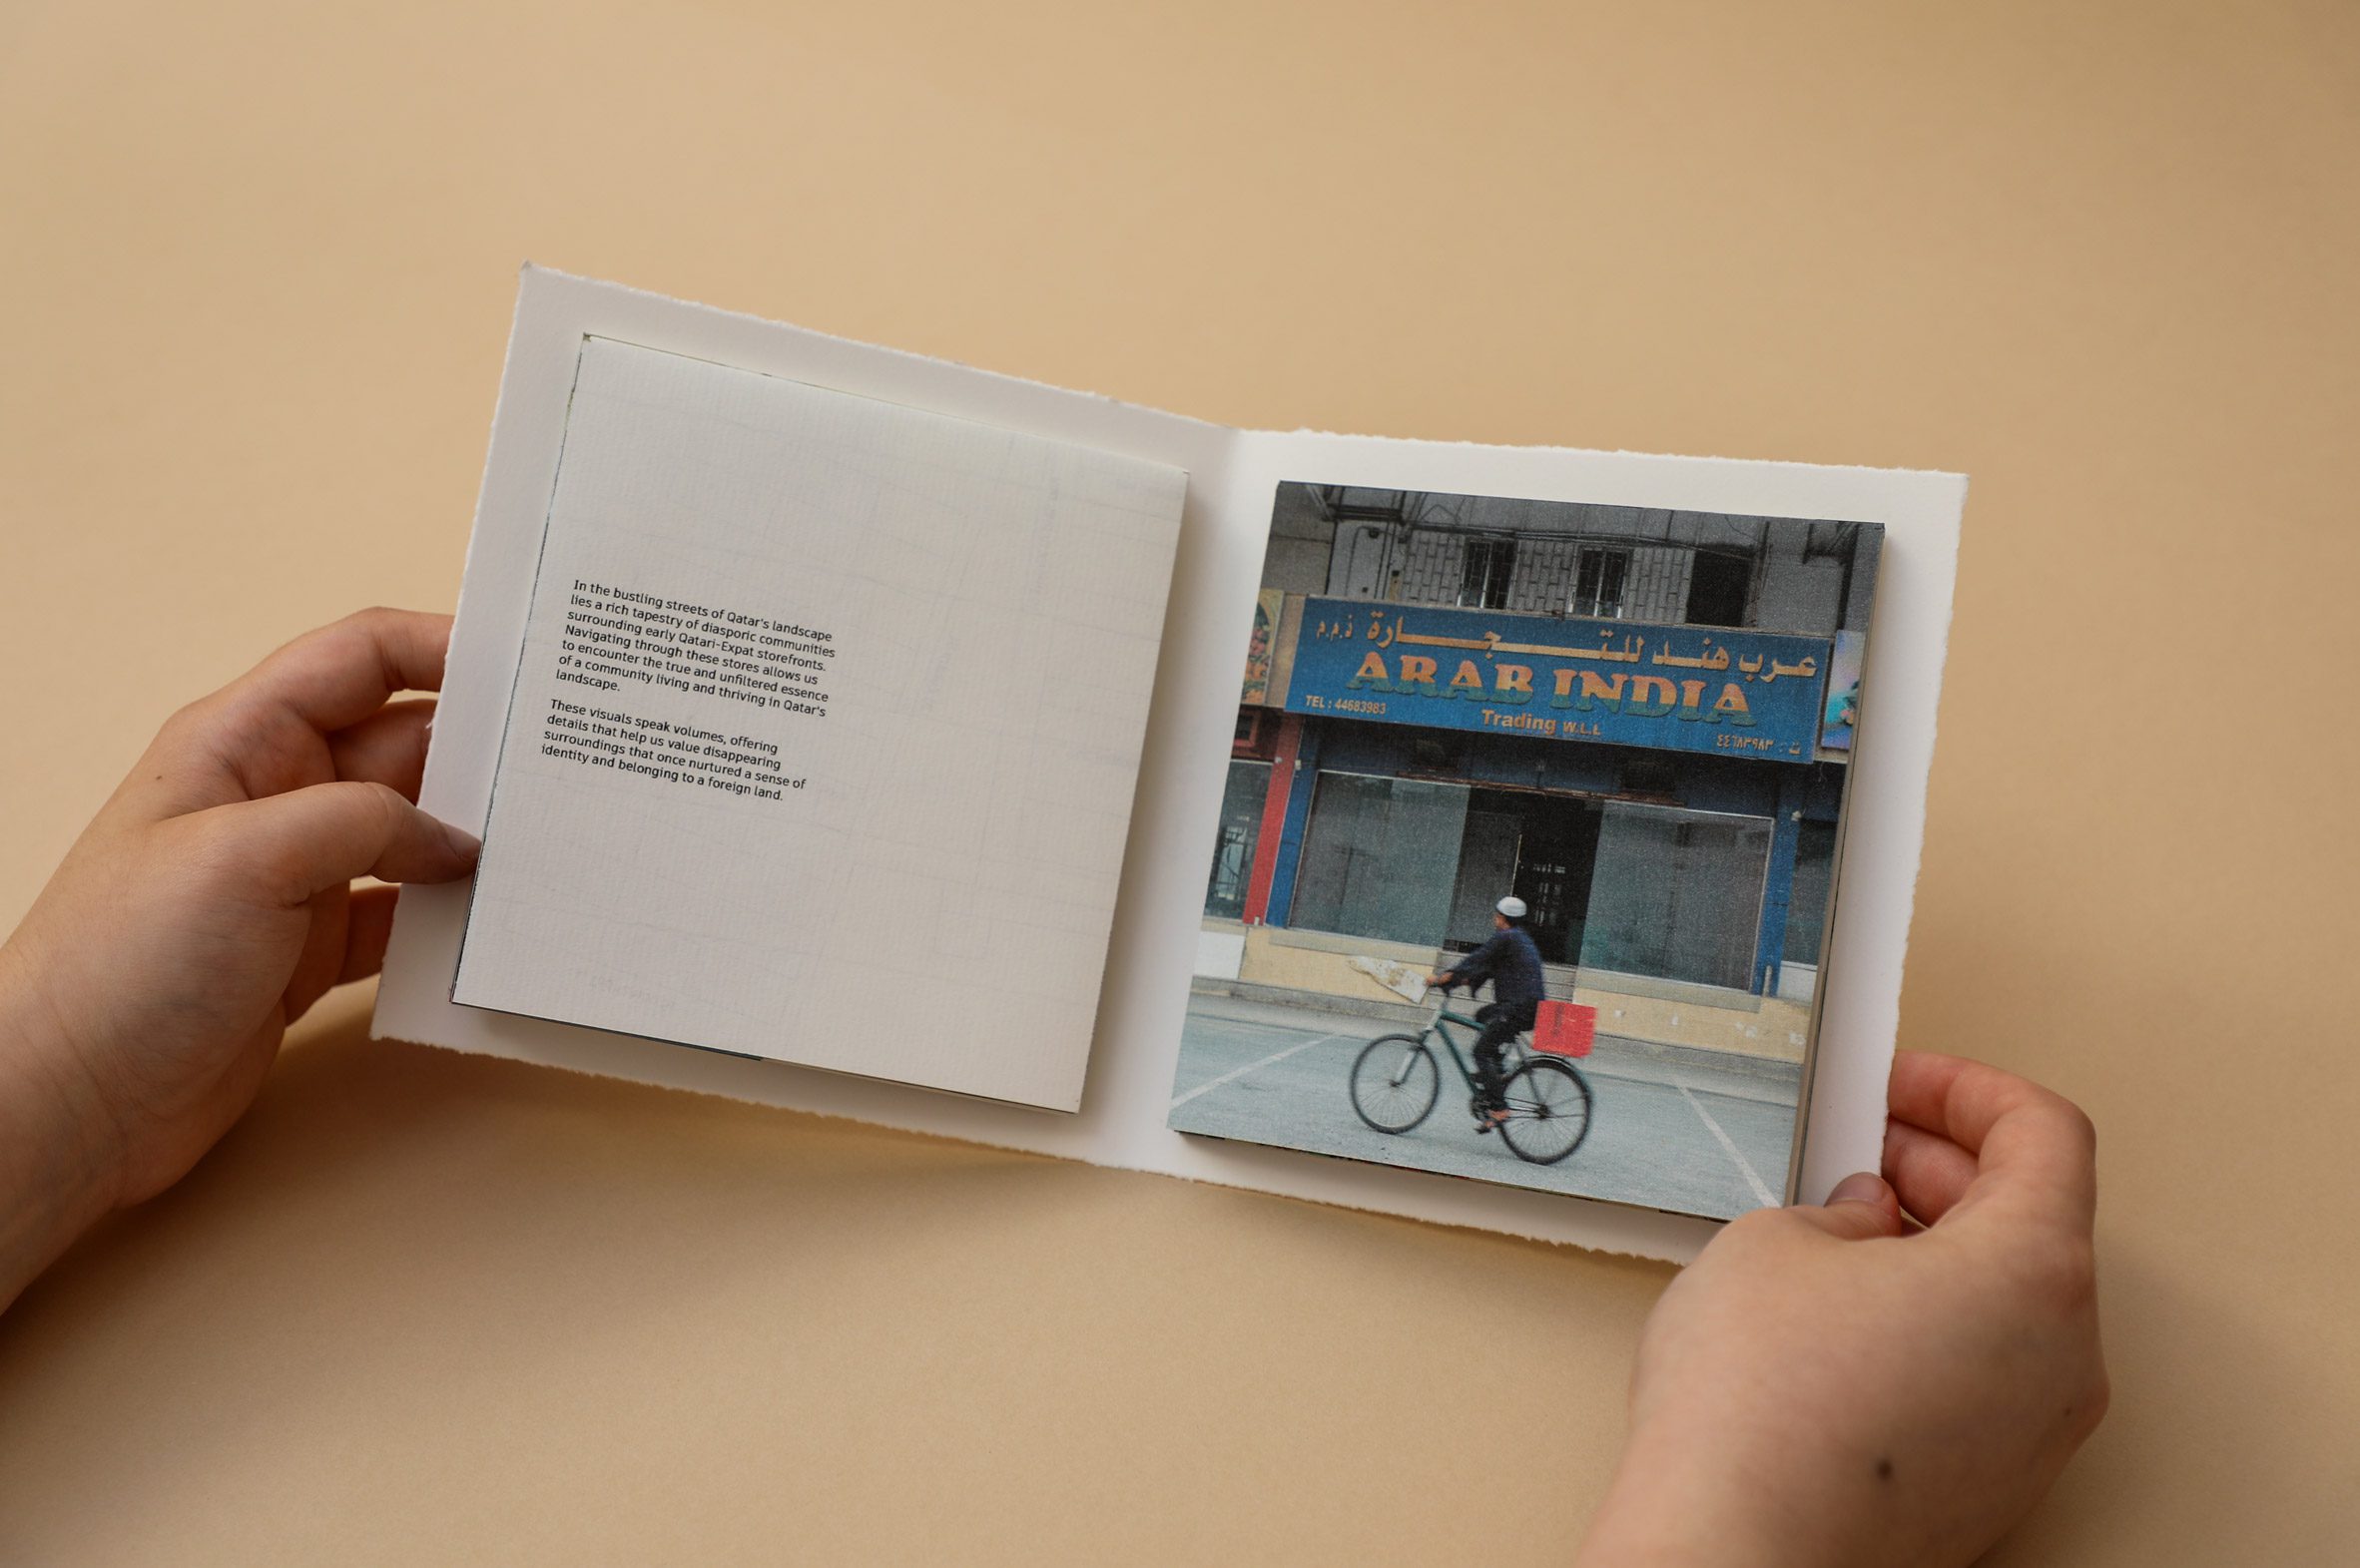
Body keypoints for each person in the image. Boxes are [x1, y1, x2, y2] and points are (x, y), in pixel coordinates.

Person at [0, 609, 2107, 1565]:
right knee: (1465, 1025)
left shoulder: (1535, 927)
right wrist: (1772, 1519)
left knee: (1477, 1043)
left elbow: (1498, 961)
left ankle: (1475, 1101)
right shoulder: (1510, 910)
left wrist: (69, 1077)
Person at [1427, 894, 1547, 1129]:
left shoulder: (1507, 937)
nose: (1495, 918)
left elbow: (1477, 958)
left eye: (1497, 915)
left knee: (1480, 1052)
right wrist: (1452, 982)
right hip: (1524, 1006)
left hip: (1519, 1007)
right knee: (1482, 1016)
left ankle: (1499, 1108)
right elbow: (1483, 969)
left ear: (1503, 918)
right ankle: (1497, 1072)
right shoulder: (1517, 939)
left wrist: (1442, 977)